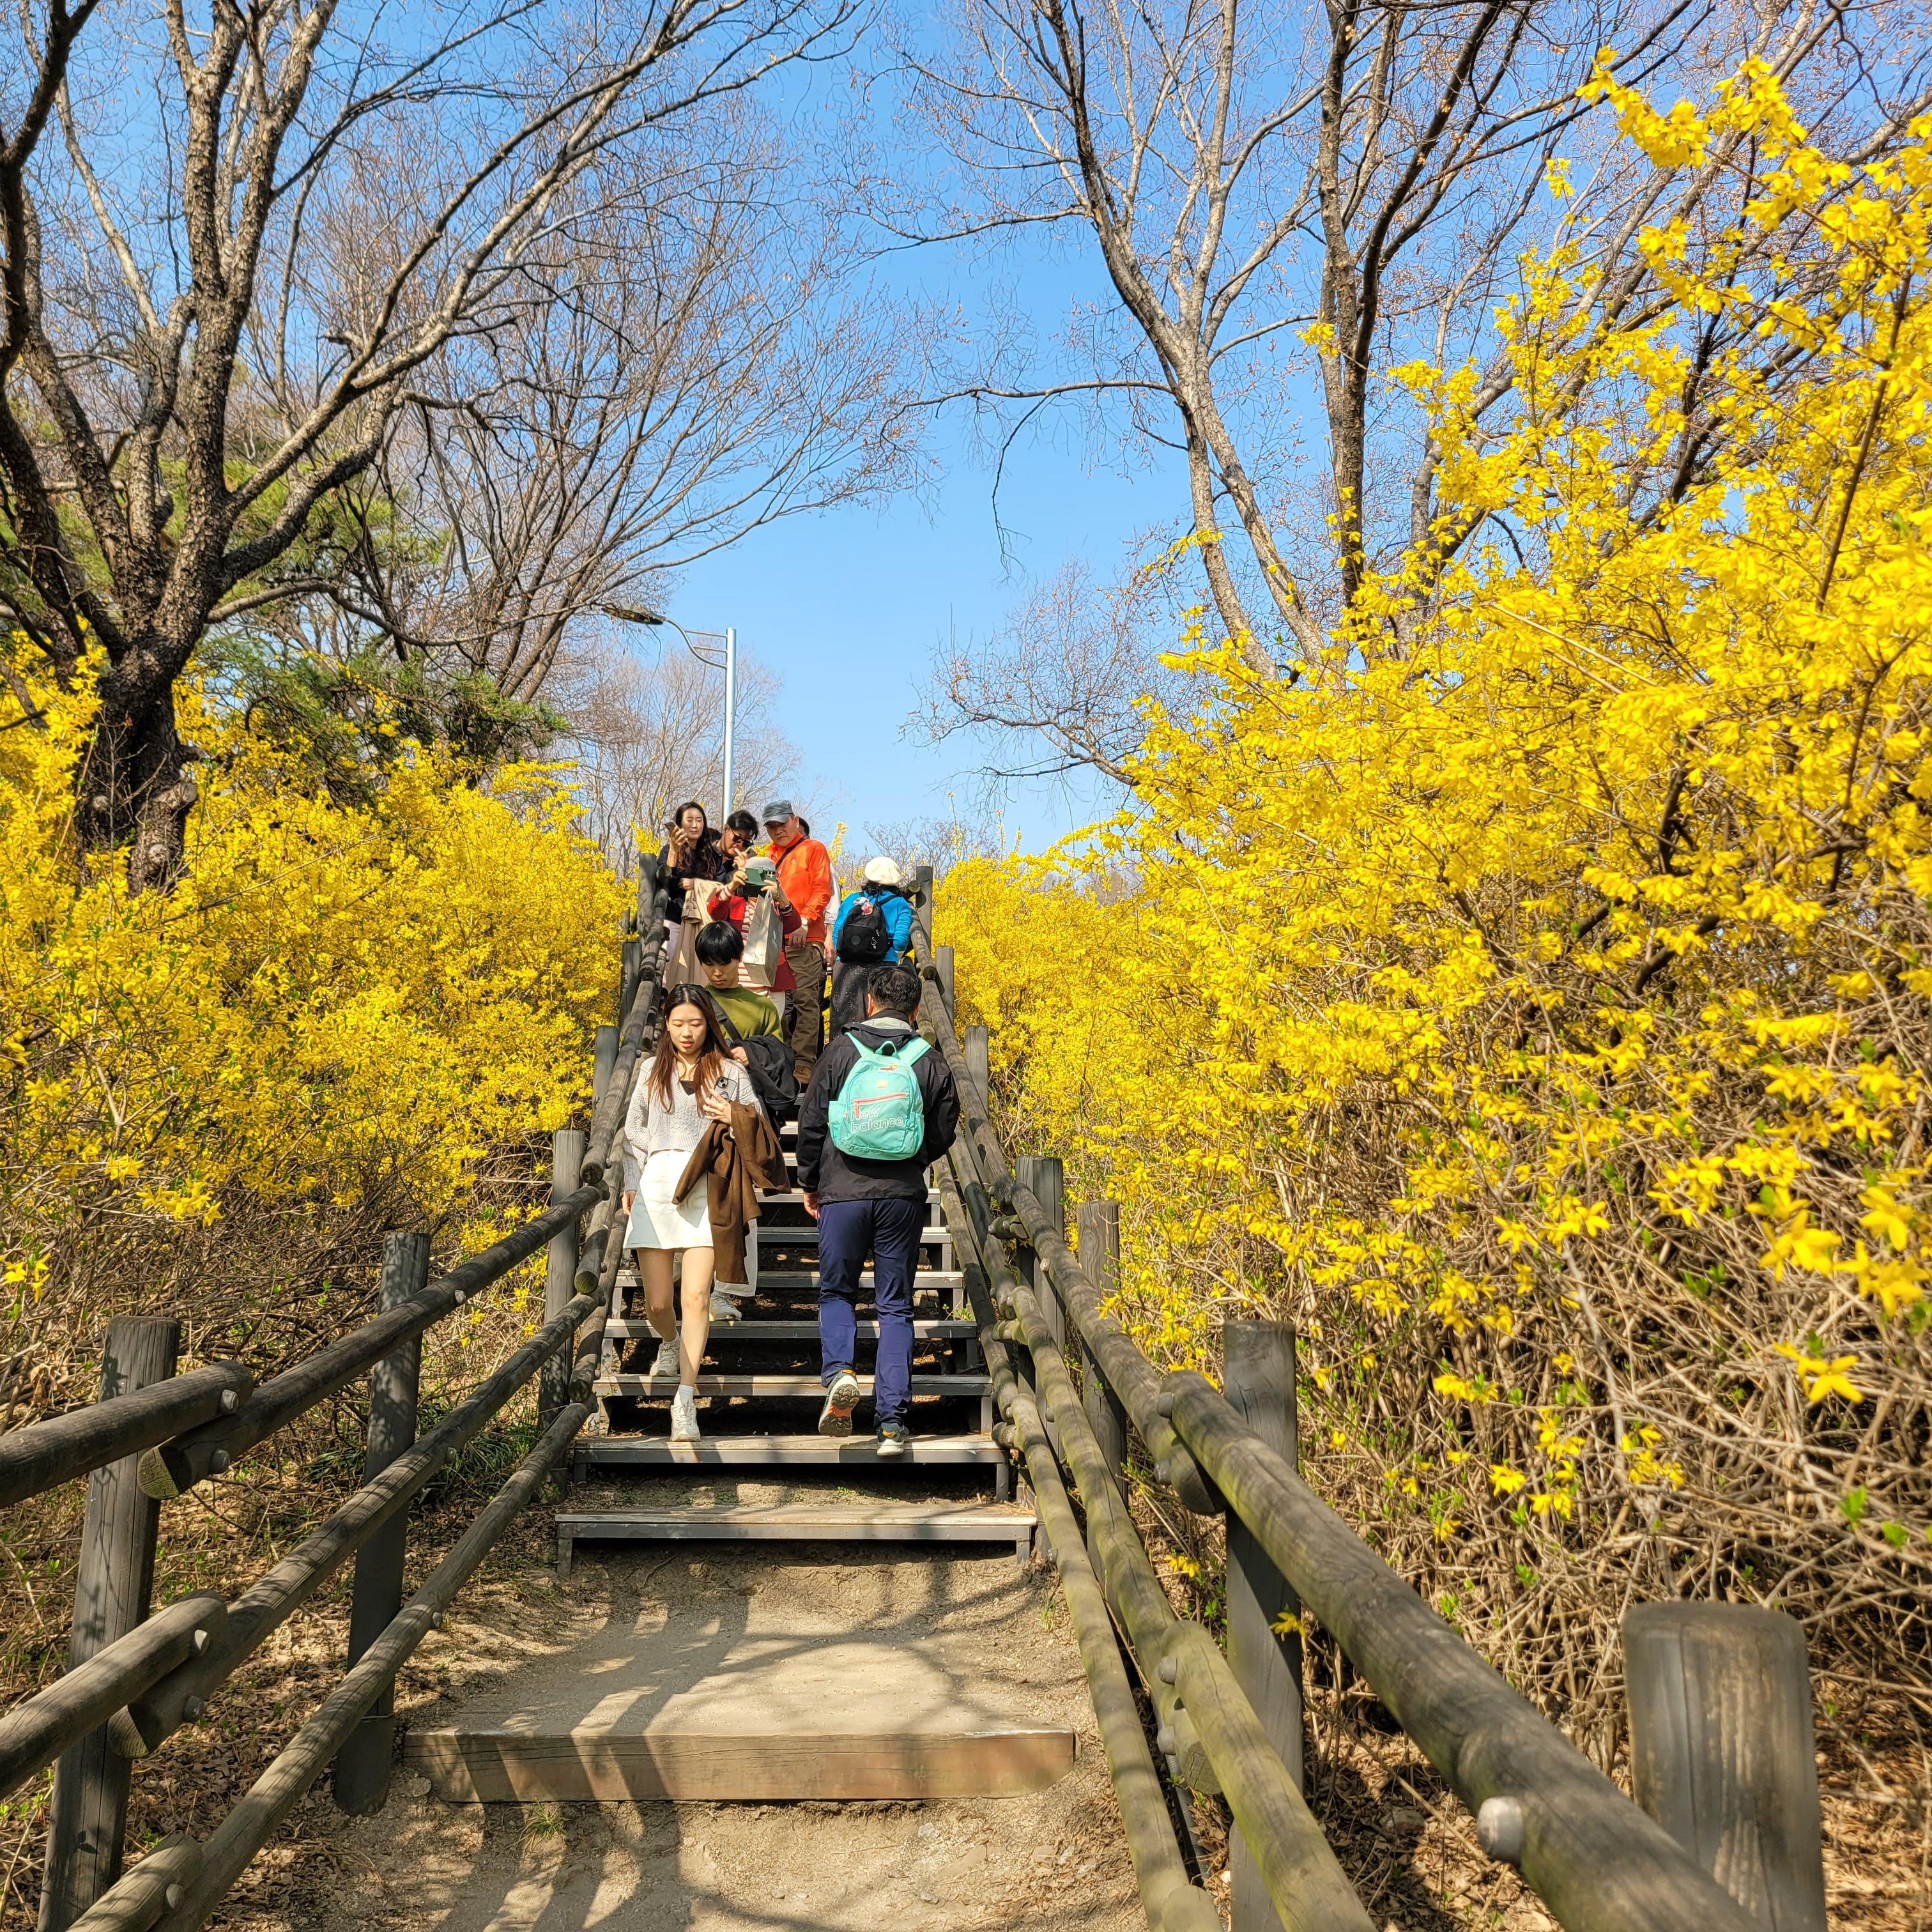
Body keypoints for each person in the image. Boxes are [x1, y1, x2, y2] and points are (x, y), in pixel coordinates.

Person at [796, 960, 960, 1456]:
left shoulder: (841, 1050)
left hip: (842, 1191)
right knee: (895, 1306)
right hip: (901, 1197)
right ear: (916, 1009)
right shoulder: (930, 1060)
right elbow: (944, 1128)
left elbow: (812, 1120)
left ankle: (840, 1373)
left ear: (869, 1002)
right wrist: (913, 1158)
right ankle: (891, 1424)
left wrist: (810, 1181)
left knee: (837, 1293)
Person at [617, 986, 766, 1441]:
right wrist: (630, 1180)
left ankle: (685, 1399)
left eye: (696, 1024)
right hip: (659, 1181)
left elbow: (759, 1123)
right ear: (666, 1024)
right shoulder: (650, 1069)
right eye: (679, 1023)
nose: (687, 1033)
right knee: (659, 1303)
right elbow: (633, 1133)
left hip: (710, 1185)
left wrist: (735, 1116)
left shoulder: (729, 1071)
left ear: (709, 1025)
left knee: (697, 1297)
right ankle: (669, 1341)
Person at [761, 798, 833, 1085]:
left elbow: (822, 890)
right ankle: (781, 1059)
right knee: (776, 1002)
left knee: (805, 1001)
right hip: (774, 940)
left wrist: (804, 920)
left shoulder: (813, 849)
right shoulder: (767, 856)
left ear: (794, 820)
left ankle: (803, 1062)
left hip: (806, 936)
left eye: (782, 824)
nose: (777, 830)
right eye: (771, 827)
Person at [828, 857, 916, 1040]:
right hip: (883, 966)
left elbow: (837, 934)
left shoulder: (852, 900)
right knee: (880, 1021)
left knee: (844, 1022)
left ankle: (841, 1054)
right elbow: (900, 941)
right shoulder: (900, 904)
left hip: (846, 967)